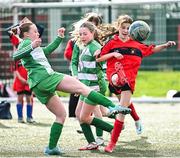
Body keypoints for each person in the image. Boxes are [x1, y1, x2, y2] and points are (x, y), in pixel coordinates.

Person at [12, 22, 131, 155]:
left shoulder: (32, 46)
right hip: (45, 77)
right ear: (27, 34)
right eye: (35, 31)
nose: (38, 33)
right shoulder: (27, 43)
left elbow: (47, 50)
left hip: (37, 86)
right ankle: (112, 107)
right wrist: (31, 45)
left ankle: (51, 148)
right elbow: (15, 56)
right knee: (82, 88)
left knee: (61, 115)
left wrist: (59, 38)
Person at [96, 15, 176, 153]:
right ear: (118, 28)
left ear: (133, 30)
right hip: (113, 75)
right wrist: (113, 55)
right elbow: (99, 59)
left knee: (122, 109)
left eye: (128, 28)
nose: (126, 30)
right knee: (118, 85)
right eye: (123, 27)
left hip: (129, 81)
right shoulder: (112, 43)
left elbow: (152, 49)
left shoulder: (137, 45)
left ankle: (112, 144)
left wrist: (165, 45)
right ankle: (119, 80)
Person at [71, 21, 109, 150]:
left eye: (85, 34)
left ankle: (112, 130)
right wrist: (77, 82)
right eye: (80, 34)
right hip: (85, 86)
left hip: (95, 86)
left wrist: (105, 54)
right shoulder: (84, 46)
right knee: (78, 114)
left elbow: (101, 58)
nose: (82, 36)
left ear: (92, 33)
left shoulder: (94, 46)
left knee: (85, 116)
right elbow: (75, 63)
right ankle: (93, 143)